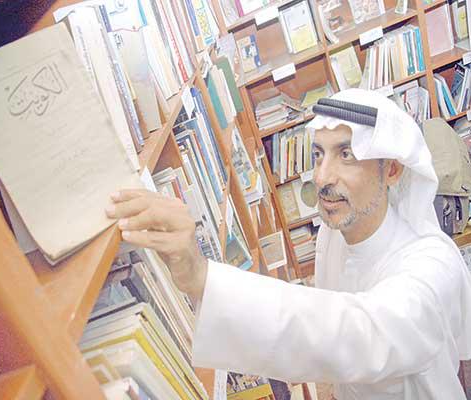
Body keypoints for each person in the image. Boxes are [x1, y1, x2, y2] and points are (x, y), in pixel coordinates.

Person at [105, 89, 471, 399]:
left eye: (346, 155)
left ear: (391, 170)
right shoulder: (334, 233)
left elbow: (361, 334)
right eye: (319, 154)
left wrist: (202, 277)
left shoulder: (433, 264)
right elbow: (329, 331)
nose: (322, 177)